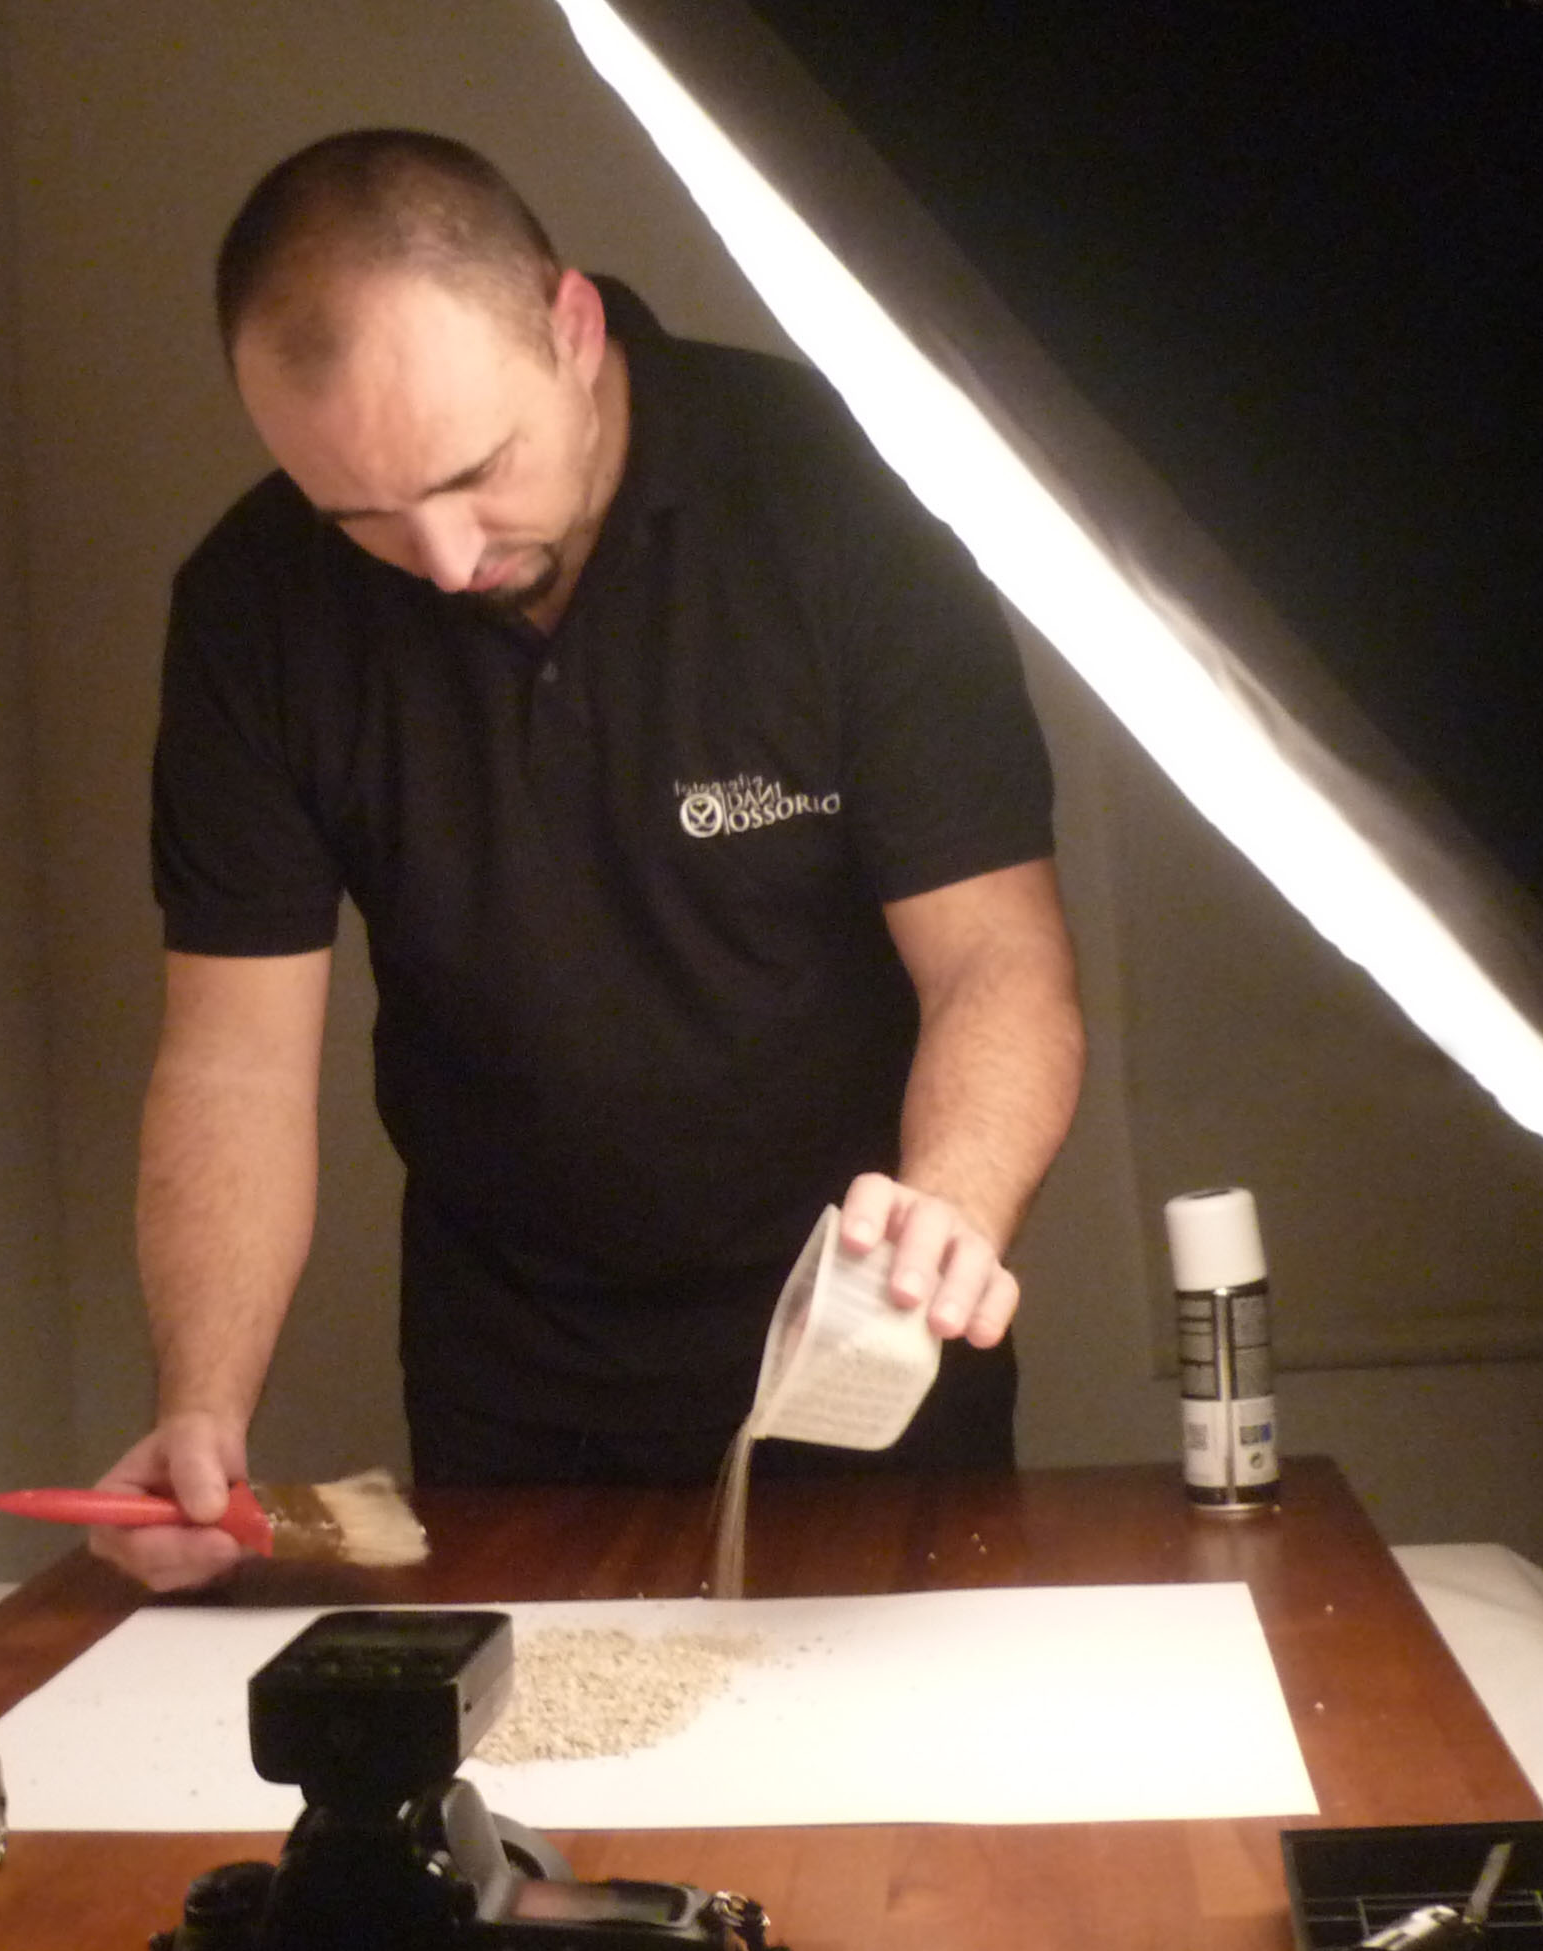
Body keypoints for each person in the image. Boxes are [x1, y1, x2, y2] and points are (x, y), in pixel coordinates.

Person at [94, 130, 1083, 1590]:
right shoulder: (255, 610)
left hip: (858, 1324)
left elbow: (997, 958)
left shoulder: (834, 495)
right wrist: (203, 1411)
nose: (443, 558)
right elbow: (235, 1061)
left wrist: (954, 1207)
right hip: (512, 1368)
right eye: (362, 515)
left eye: (474, 475)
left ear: (571, 327)